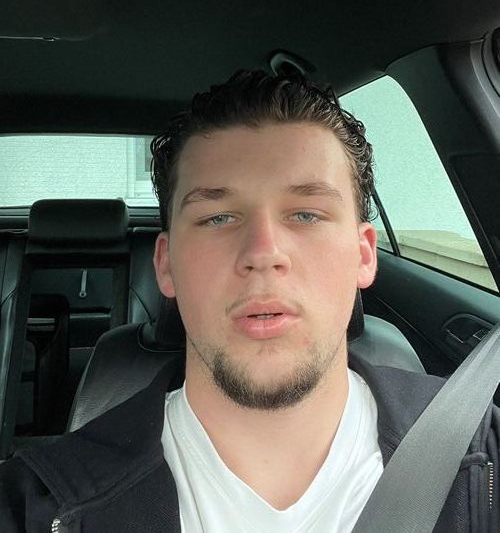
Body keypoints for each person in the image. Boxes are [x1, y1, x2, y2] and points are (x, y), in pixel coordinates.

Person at [0, 70, 498, 532]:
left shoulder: (480, 456)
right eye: (218, 218)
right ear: (166, 265)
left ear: (364, 255)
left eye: (306, 214)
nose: (263, 253)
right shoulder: (34, 503)